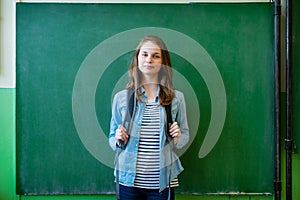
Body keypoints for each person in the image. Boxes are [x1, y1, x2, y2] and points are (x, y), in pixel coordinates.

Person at [109, 35, 189, 200]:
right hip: (128, 182)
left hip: (162, 184)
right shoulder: (121, 98)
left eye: (156, 56)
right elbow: (112, 138)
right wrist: (117, 138)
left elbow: (184, 136)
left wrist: (177, 137)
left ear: (163, 62)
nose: (149, 59)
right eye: (144, 54)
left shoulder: (176, 98)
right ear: (137, 59)